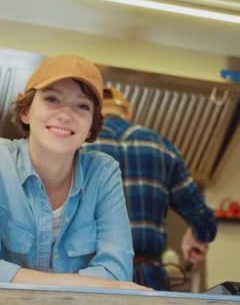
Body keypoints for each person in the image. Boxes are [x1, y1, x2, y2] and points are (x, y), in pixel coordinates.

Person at [0, 55, 148, 290]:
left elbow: (117, 271)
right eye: (52, 99)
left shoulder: (103, 173)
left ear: (91, 126)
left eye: (82, 106)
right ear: (26, 112)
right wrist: (90, 283)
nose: (65, 115)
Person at [84, 86, 217, 291]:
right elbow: (204, 219)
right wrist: (197, 236)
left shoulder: (78, 145)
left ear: (93, 113)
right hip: (148, 281)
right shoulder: (163, 147)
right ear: (128, 114)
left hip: (91, 279)